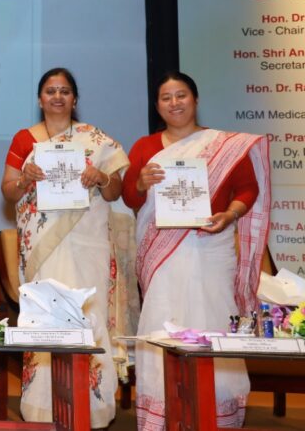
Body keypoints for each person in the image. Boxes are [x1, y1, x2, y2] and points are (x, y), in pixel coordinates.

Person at [121, 71, 270, 431]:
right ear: (157, 106)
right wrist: (140, 182)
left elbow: (247, 189)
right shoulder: (145, 146)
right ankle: (161, 415)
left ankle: (215, 413)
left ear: (196, 99)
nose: (175, 103)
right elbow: (129, 196)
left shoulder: (224, 144)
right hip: (161, 256)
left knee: (214, 322)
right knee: (161, 324)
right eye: (166, 98)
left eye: (181, 95)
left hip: (212, 248)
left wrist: (229, 214)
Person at [0, 68, 129, 427]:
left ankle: (96, 408)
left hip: (88, 243)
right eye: (50, 91)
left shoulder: (95, 139)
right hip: (43, 247)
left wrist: (101, 177)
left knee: (90, 316)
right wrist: (25, 179)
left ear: (75, 99)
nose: (57, 97)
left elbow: (116, 190)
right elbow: (8, 189)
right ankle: (41, 407)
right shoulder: (25, 139)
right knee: (45, 320)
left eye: (65, 91)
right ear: (40, 99)